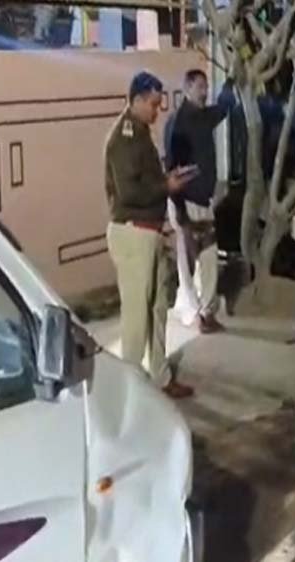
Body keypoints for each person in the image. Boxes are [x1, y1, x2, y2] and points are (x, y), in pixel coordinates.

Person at [105, 71, 196, 399]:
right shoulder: (125, 137)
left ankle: (160, 376)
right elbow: (129, 192)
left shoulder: (141, 133)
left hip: (150, 232)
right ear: (138, 100)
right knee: (136, 317)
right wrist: (166, 186)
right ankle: (130, 388)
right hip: (133, 233)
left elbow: (145, 181)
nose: (158, 111)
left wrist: (167, 180)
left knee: (158, 308)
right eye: (154, 104)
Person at [164, 69, 233, 333]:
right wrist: (180, 211)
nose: (205, 92)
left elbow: (223, 109)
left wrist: (232, 80)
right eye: (200, 87)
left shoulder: (202, 117)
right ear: (187, 89)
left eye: (206, 87)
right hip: (187, 201)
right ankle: (194, 313)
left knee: (208, 255)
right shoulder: (179, 124)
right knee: (188, 259)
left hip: (203, 201)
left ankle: (206, 311)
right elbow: (173, 171)